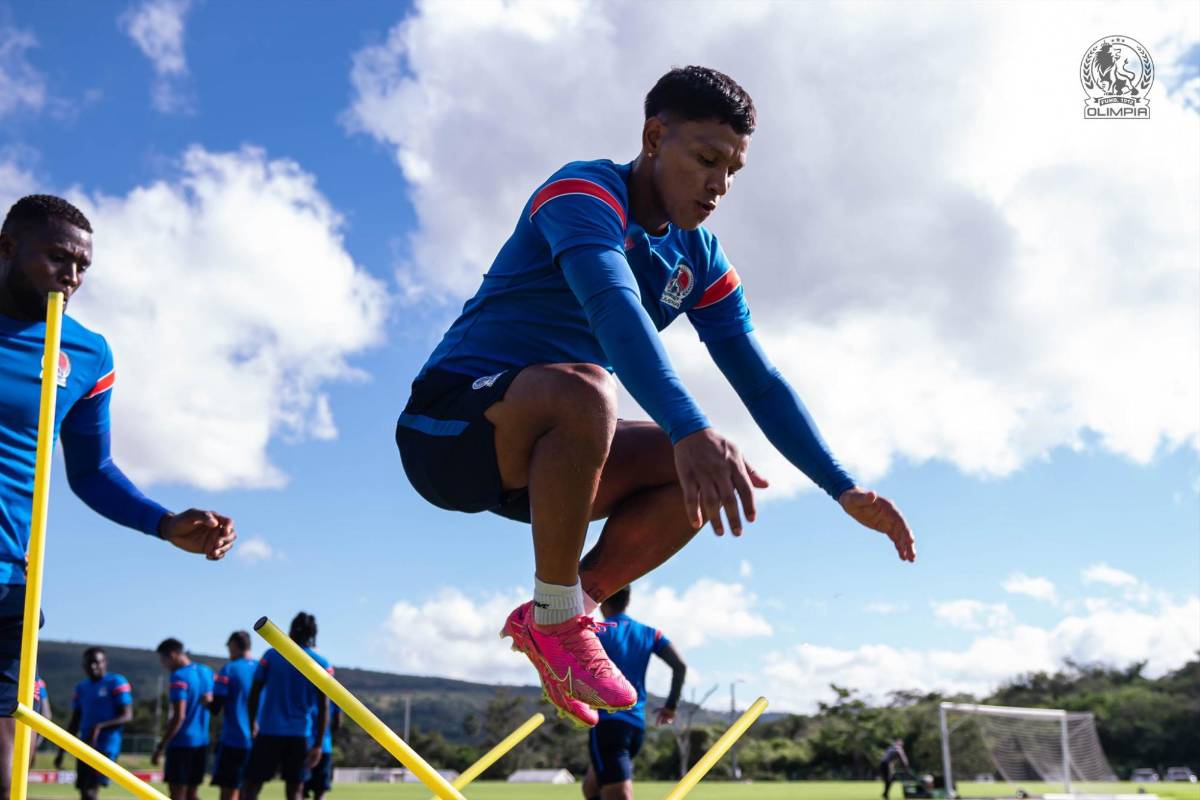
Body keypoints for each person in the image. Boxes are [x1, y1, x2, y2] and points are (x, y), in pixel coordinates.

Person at [395, 66, 916, 725]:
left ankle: (561, 617)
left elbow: (759, 380)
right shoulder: (583, 192)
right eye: (705, 159)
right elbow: (615, 310)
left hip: (548, 464)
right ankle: (559, 614)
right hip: (448, 430)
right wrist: (687, 426)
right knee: (591, 389)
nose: (719, 185)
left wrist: (843, 488)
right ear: (653, 136)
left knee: (706, 475)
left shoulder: (699, 257)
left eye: (733, 170)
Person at [0, 194, 238, 799]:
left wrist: (164, 523)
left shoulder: (85, 352)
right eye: (57, 258)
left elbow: (93, 472)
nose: (72, 277)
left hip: (9, 583)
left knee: (3, 756)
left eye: (82, 266)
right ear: (7, 249)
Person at [581, 586, 685, 800]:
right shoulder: (649, 633)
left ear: (603, 600)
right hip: (636, 725)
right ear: (627, 600)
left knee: (619, 794)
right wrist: (671, 707)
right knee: (591, 787)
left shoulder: (595, 632)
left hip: (608, 724)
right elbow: (680, 666)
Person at [242, 613, 329, 800]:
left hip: (269, 731)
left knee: (251, 785)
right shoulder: (320, 662)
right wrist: (318, 744)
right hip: (299, 734)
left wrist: (252, 723)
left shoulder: (272, 656)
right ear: (313, 633)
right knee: (295, 790)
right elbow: (324, 708)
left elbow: (255, 693)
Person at [54, 648, 131, 800]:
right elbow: (74, 721)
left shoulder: (116, 682)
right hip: (85, 745)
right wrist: (61, 752)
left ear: (105, 663)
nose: (93, 667)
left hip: (106, 746)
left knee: (90, 790)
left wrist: (99, 727)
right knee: (84, 791)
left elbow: (127, 715)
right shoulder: (82, 687)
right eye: (89, 663)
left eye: (97, 662)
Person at [151, 639, 214, 800]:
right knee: (193, 794)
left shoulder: (178, 677)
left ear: (172, 655)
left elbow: (179, 716)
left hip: (182, 743)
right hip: (202, 742)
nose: (163, 664)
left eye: (163, 660)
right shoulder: (206, 671)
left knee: (177, 794)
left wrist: (161, 746)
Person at [211, 631, 257, 800]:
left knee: (228, 791)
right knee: (249, 791)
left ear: (235, 646)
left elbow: (216, 707)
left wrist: (207, 700)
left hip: (234, 739)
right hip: (259, 741)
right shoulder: (261, 668)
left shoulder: (229, 669)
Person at [302, 703, 339, 800]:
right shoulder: (333, 697)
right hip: (324, 746)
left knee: (298, 790)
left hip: (302, 743)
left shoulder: (305, 689)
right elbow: (337, 723)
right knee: (320, 792)